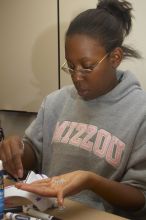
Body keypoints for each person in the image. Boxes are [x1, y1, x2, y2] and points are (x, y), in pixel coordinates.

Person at [1, 0, 146, 219]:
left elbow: (140, 198)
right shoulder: (56, 101)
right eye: (70, 65)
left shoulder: (140, 112)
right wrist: (18, 149)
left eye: (87, 67)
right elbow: (34, 153)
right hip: (48, 212)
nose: (76, 77)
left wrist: (90, 181)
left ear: (115, 58)